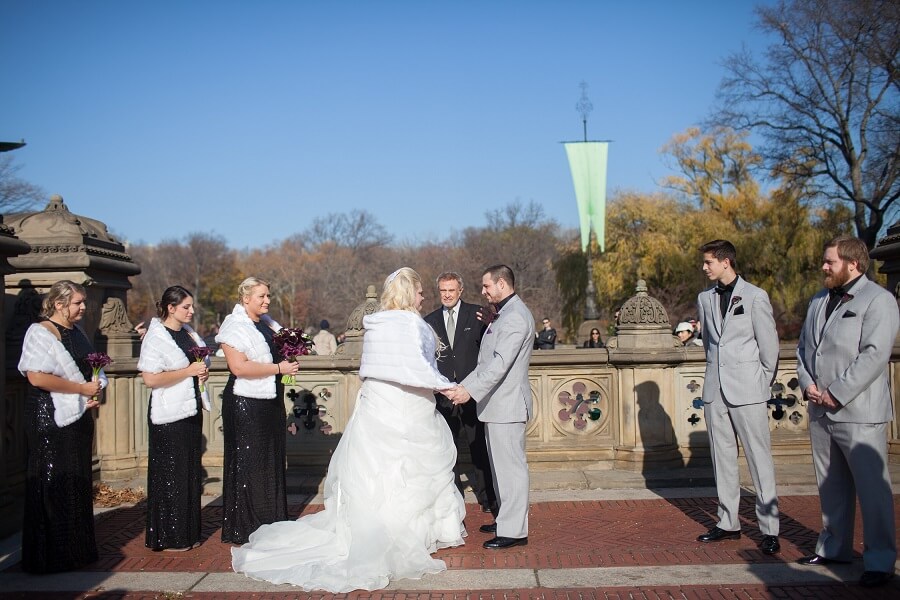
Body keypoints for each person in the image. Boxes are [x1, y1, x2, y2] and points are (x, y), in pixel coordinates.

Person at [232, 267, 466, 592]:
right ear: (408, 292)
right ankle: (410, 533)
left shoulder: (376, 324)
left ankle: (377, 525)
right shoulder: (413, 325)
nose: (423, 296)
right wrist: (448, 387)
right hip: (407, 407)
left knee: (377, 471)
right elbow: (419, 370)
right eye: (420, 290)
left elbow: (367, 371)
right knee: (410, 468)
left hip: (376, 404)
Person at [795, 236, 899, 588]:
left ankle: (881, 561)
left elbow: (874, 355)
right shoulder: (818, 299)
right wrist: (807, 383)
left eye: (830, 262)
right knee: (831, 487)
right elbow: (803, 349)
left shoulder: (880, 300)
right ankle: (834, 547)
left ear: (853, 263)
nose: (823, 267)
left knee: (873, 491)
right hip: (819, 411)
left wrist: (836, 393)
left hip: (858, 411)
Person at [695, 240, 780, 555]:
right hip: (715, 391)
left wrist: (760, 382)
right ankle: (727, 522)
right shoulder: (704, 298)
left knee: (760, 459)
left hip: (748, 390)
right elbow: (709, 347)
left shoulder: (756, 296)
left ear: (725, 261)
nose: (704, 268)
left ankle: (770, 529)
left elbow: (769, 348)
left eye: (708, 262)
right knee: (723, 459)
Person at [17, 280, 106, 573]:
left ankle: (75, 550)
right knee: (51, 481)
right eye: (78, 303)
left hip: (77, 416)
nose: (83, 308)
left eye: (83, 302)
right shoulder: (40, 332)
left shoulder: (77, 331)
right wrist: (81, 390)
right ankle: (49, 556)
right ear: (58, 304)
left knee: (77, 479)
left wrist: (94, 390)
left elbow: (89, 370)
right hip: (48, 416)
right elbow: (36, 377)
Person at [446, 265, 534, 550]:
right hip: (497, 405)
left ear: (501, 284)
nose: (483, 292)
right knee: (501, 469)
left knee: (511, 470)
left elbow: (499, 364)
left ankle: (514, 531)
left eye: (486, 286)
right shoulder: (505, 315)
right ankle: (505, 520)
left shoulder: (516, 317)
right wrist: (463, 387)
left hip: (507, 405)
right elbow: (485, 364)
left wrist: (467, 391)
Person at [216, 277, 300, 544]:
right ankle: (246, 527)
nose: (267, 301)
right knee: (248, 464)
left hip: (271, 403)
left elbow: (280, 363)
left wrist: (288, 371)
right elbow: (238, 368)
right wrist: (278, 369)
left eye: (268, 296)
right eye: (261, 296)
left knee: (270, 462)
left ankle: (270, 521)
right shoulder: (233, 328)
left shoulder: (268, 327)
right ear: (246, 298)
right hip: (245, 404)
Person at [138, 286, 211, 552]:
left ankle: (187, 532)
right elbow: (150, 378)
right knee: (170, 474)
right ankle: (169, 536)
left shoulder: (189, 335)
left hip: (191, 409)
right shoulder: (156, 337)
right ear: (170, 308)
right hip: (169, 415)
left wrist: (200, 375)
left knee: (188, 473)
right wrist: (188, 371)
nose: (191, 311)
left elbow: (194, 369)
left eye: (191, 306)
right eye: (186, 307)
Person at [424, 271, 495, 514]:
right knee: (447, 449)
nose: (446, 294)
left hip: (472, 393)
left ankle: (488, 500)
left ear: (460, 291)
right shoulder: (429, 320)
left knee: (479, 448)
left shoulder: (476, 315)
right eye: (443, 290)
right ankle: (454, 500)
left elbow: (489, 352)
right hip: (443, 396)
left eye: (451, 290)